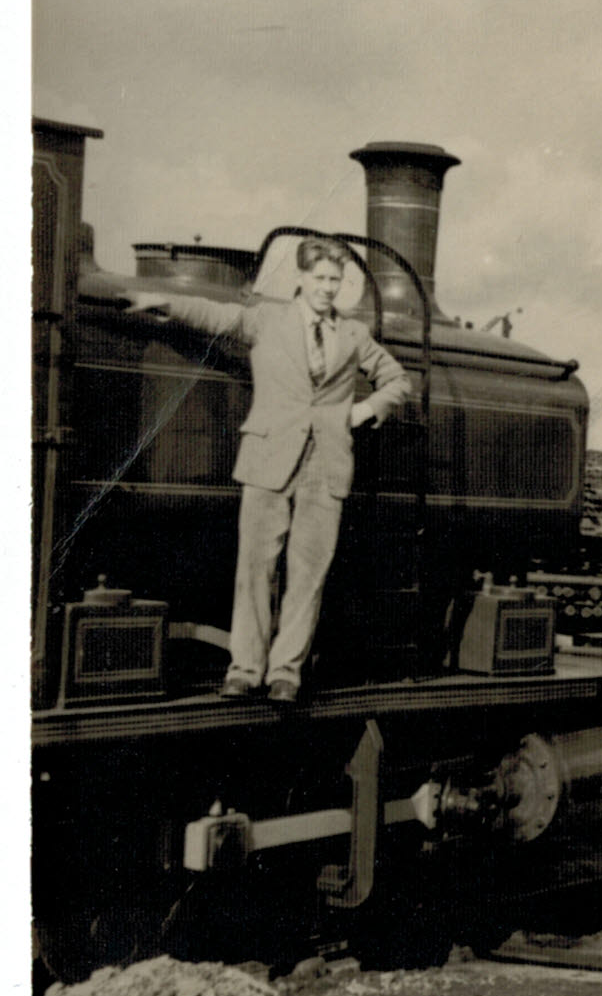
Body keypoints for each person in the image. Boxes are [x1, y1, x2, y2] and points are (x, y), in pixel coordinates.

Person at [126, 236, 410, 704]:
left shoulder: (355, 335)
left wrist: (370, 407)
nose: (327, 288)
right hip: (268, 458)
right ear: (301, 278)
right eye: (320, 278)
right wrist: (162, 300)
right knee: (255, 569)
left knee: (308, 574)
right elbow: (216, 314)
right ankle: (245, 670)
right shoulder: (268, 319)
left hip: (327, 464)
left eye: (335, 280)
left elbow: (398, 378)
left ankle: (286, 673)